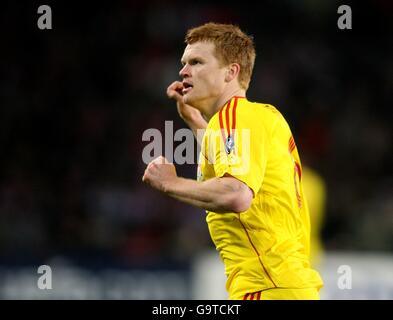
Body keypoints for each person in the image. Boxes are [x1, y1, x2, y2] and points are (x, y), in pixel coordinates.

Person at [142, 22, 324, 300]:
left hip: (266, 285)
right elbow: (232, 160)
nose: (183, 71)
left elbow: (237, 194)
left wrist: (171, 183)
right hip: (285, 286)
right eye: (184, 63)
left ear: (231, 72)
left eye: (197, 62)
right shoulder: (260, 115)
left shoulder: (235, 118)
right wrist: (195, 122)